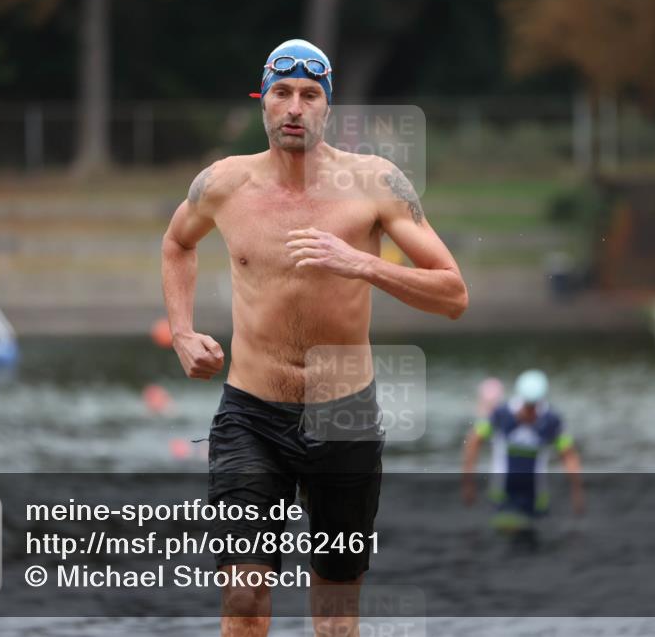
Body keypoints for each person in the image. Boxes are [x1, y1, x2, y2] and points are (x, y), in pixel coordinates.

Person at [160, 38, 468, 637]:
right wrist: (181, 332)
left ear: (328, 108)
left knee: (334, 614)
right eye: (282, 94)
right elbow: (178, 243)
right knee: (244, 599)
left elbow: (453, 293)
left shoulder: (376, 183)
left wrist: (364, 264)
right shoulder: (223, 184)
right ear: (264, 103)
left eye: (309, 95)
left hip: (344, 417)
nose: (295, 107)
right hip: (251, 414)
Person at [462, 370, 583, 545]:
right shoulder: (501, 415)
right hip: (503, 494)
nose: (530, 410)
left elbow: (569, 455)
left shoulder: (551, 420)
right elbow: (474, 441)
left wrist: (577, 491)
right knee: (507, 540)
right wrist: (468, 481)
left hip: (536, 496)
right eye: (527, 405)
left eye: (534, 405)